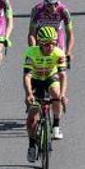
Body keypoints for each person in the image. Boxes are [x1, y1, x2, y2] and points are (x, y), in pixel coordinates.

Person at [23, 25, 67, 160]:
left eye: (53, 43)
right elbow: (27, 76)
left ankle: (56, 124)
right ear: (40, 44)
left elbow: (63, 76)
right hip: (35, 81)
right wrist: (29, 94)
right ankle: (31, 145)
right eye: (47, 44)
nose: (50, 47)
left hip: (50, 78)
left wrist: (63, 95)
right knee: (32, 119)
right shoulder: (31, 52)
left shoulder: (59, 53)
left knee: (56, 93)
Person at [28, 0, 75, 65]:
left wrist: (68, 52)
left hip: (57, 34)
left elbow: (70, 34)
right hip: (40, 34)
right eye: (49, 5)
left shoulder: (64, 11)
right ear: (44, 3)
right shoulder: (36, 10)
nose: (53, 8)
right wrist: (33, 50)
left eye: (56, 4)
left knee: (60, 59)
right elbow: (31, 34)